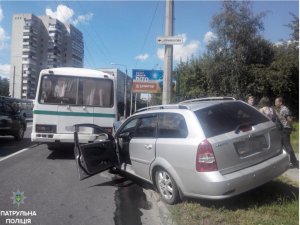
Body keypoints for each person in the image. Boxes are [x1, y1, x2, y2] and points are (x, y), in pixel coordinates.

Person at [275, 97, 298, 168]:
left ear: (280, 102)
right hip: (284, 129)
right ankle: (282, 161)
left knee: (288, 146)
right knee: (281, 145)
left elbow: (289, 119)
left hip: (286, 129)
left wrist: (291, 127)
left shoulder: (284, 109)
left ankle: (294, 163)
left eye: (276, 102)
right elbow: (282, 118)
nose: (275, 104)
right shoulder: (282, 109)